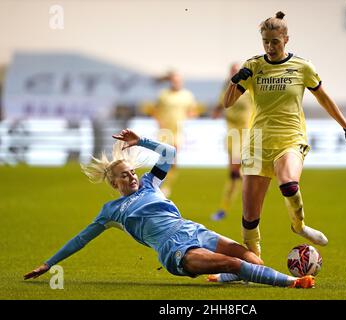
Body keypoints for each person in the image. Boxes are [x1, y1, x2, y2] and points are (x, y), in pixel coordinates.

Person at [23, 129, 315, 289]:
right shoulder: (111, 210)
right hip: (174, 249)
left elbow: (170, 154)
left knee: (253, 260)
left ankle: (221, 277)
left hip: (193, 230)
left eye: (132, 171)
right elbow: (81, 239)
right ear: (114, 183)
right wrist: (49, 263)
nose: (132, 176)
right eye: (124, 175)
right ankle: (293, 282)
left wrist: (142, 142)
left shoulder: (150, 183)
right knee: (236, 264)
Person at [223, 11, 346, 258]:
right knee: (249, 216)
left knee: (288, 182)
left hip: (290, 138)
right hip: (257, 143)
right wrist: (235, 81)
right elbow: (227, 103)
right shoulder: (253, 66)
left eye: (275, 41)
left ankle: (299, 226)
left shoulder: (302, 67)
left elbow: (324, 99)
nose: (270, 46)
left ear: (286, 39)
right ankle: (255, 264)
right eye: (265, 41)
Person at [211, 63, 254, 221]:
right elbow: (219, 107)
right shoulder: (226, 90)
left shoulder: (249, 90)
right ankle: (225, 208)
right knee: (234, 174)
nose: (234, 74)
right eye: (232, 71)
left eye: (236, 71)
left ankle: (227, 208)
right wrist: (216, 111)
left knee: (236, 172)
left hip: (246, 135)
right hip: (231, 135)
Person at [152, 71, 197, 197]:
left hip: (178, 131)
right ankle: (157, 183)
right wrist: (159, 122)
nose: (176, 82)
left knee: (173, 159)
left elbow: (192, 111)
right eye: (174, 80)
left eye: (178, 80)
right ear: (170, 81)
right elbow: (155, 110)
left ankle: (166, 186)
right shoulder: (163, 95)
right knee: (163, 158)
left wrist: (189, 118)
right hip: (165, 132)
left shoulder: (187, 95)